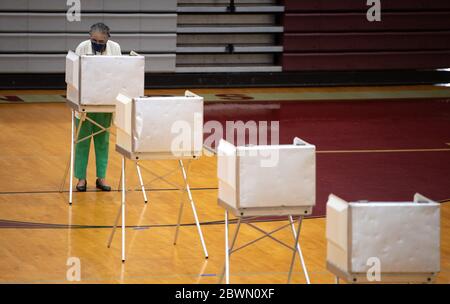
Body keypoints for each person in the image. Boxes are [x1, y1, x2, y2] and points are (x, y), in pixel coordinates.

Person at [73, 23, 122, 192]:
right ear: (89, 37)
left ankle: (101, 177)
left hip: (105, 102)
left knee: (103, 142)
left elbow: (119, 73)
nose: (97, 43)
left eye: (101, 40)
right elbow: (75, 75)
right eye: (94, 40)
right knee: (82, 142)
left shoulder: (115, 48)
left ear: (108, 38)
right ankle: (81, 179)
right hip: (85, 103)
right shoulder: (82, 47)